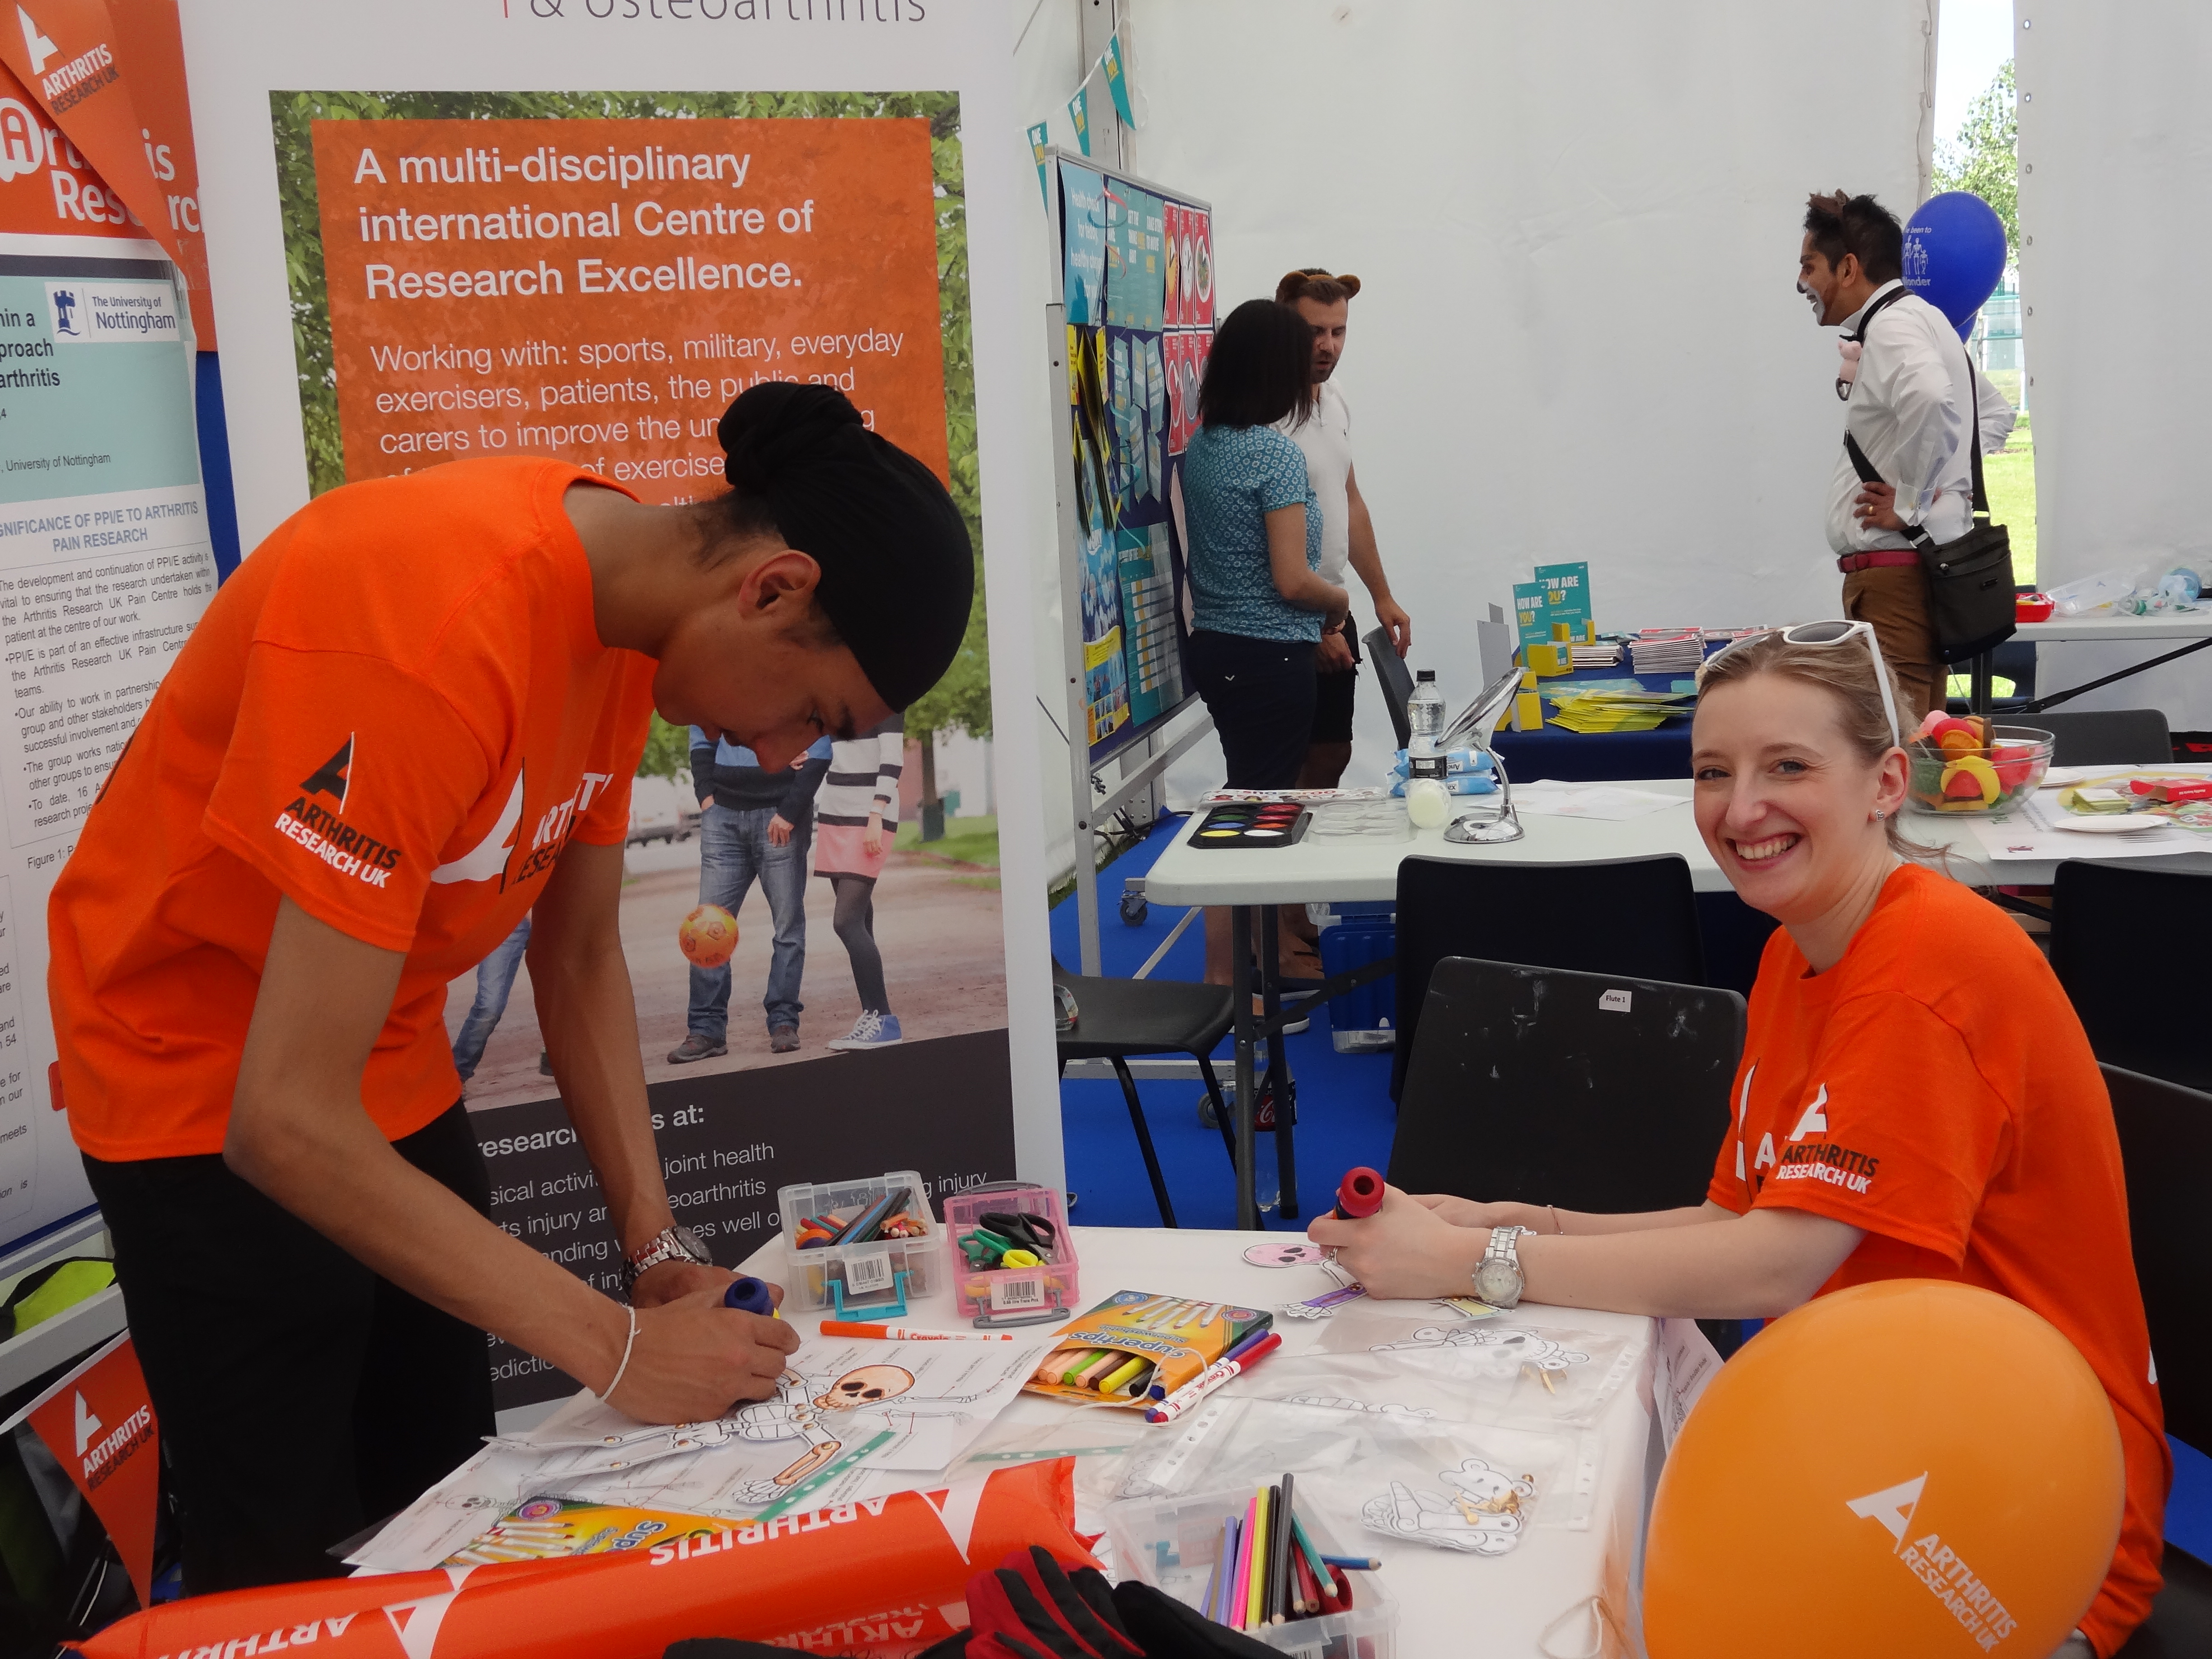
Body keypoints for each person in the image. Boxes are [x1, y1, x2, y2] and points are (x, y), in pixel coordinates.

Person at [47, 382, 974, 1592]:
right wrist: (619, 1349)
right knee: (287, 1566)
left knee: (444, 1502)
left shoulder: (628, 622)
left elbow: (577, 956)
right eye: (812, 714)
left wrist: (654, 1250)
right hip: (192, 1079)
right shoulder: (424, 622)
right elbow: (283, 1122)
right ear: (773, 589)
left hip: (379, 1055)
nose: (783, 755)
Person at [1309, 625, 2166, 1658]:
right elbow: (1736, 1215)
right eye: (1713, 771)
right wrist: (1516, 1221)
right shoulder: (1797, 953)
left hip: (2024, 1515)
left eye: (1787, 767)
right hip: (1891, 1434)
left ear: (1886, 782)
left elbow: (1776, 1264)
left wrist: (1469, 1262)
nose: (1740, 808)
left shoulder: (1921, 969)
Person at [1179, 298, 1350, 984]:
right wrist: (1338, 602)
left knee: (1248, 802)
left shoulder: (1204, 446)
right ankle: (1228, 975)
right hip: (1270, 655)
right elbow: (1292, 579)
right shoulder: (1274, 455)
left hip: (1220, 648)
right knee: (1252, 812)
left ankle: (1258, 956)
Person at [1799, 190, 1972, 719]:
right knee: (1920, 733)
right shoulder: (1925, 319)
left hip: (1894, 577)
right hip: (1910, 573)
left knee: (1899, 735)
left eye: (1809, 266)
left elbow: (1930, 397)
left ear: (1849, 268)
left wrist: (1913, 502)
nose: (1803, 283)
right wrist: (1942, 485)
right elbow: (1991, 412)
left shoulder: (1893, 326)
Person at [1272, 269, 1412, 791]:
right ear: (1283, 325)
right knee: (1288, 762)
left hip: (1331, 605)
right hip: (1287, 618)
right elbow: (1256, 541)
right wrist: (1312, 633)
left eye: (1338, 331)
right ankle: (1283, 843)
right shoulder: (1265, 415)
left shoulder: (1334, 397)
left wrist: (1382, 595)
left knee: (1333, 752)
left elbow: (1349, 502)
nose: (1328, 345)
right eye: (1314, 331)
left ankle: (1310, 843)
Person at [673, 728, 831, 1060]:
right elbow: (702, 740)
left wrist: (790, 812)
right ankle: (706, 1030)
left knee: (787, 926)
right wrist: (707, 799)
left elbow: (819, 748)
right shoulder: (714, 695)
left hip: (780, 816)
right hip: (723, 817)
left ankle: (783, 1022)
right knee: (705, 929)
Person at [815, 712, 906, 1050]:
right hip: (835, 812)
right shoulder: (837, 703)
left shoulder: (887, 702)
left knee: (846, 922)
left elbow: (892, 759)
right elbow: (827, 747)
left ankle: (885, 1020)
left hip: (869, 817)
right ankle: (872, 1015)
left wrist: (877, 813)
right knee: (861, 919)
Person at [450, 911, 532, 1093]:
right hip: (508, 921)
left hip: (559, 916)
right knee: (489, 1007)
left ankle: (556, 1057)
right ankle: (457, 1074)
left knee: (571, 992)